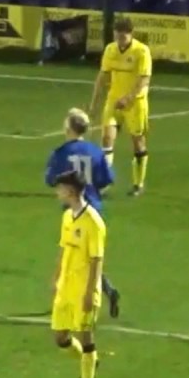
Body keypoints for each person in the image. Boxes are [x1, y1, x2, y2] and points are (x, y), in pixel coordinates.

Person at [44, 108, 122, 317]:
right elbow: (106, 180)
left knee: (73, 254)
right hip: (94, 208)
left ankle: (69, 296)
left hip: (73, 211)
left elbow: (51, 180)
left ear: (68, 127)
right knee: (86, 256)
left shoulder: (61, 153)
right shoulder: (95, 151)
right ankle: (106, 291)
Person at [49, 170, 106, 378]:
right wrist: (56, 277)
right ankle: (89, 360)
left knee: (85, 336)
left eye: (60, 188)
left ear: (71, 191)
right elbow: (63, 248)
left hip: (84, 288)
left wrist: (90, 292)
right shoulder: (67, 217)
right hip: (66, 286)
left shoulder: (93, 222)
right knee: (60, 337)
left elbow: (96, 260)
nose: (57, 192)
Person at [90, 17, 152, 196]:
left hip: (136, 103)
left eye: (123, 37)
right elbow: (102, 77)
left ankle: (138, 184)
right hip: (113, 100)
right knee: (107, 138)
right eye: (117, 36)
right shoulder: (110, 50)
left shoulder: (142, 51)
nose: (120, 40)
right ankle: (105, 182)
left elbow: (144, 79)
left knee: (138, 141)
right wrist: (94, 103)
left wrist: (129, 98)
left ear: (130, 35)